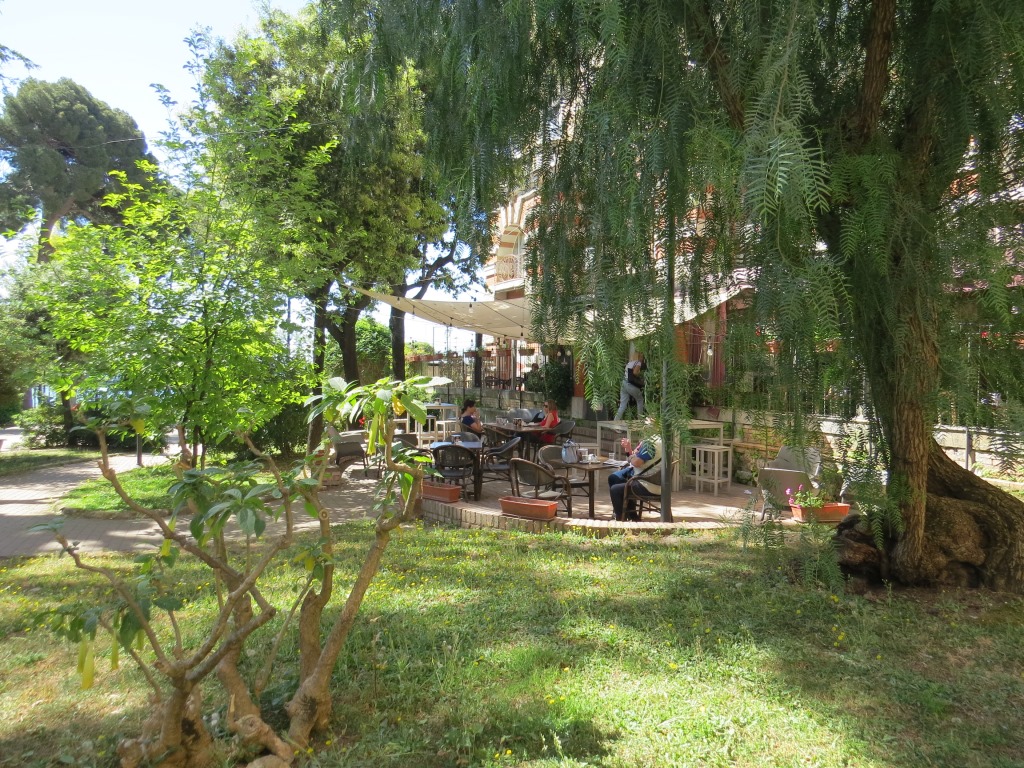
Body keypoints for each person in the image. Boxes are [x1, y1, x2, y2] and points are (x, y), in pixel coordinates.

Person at [608, 433, 662, 521]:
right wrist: (630, 450)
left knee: (615, 489)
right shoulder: (660, 441)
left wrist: (631, 457)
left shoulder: (650, 445)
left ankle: (621, 519)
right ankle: (631, 515)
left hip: (647, 483)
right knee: (614, 478)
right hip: (651, 480)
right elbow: (638, 458)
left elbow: (636, 462)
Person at [614, 354, 646, 420]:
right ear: (639, 357)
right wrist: (640, 374)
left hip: (624, 384)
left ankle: (615, 421)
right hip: (630, 385)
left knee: (622, 405)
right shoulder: (638, 363)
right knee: (640, 400)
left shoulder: (629, 363)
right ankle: (640, 420)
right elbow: (635, 373)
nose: (643, 359)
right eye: (642, 357)